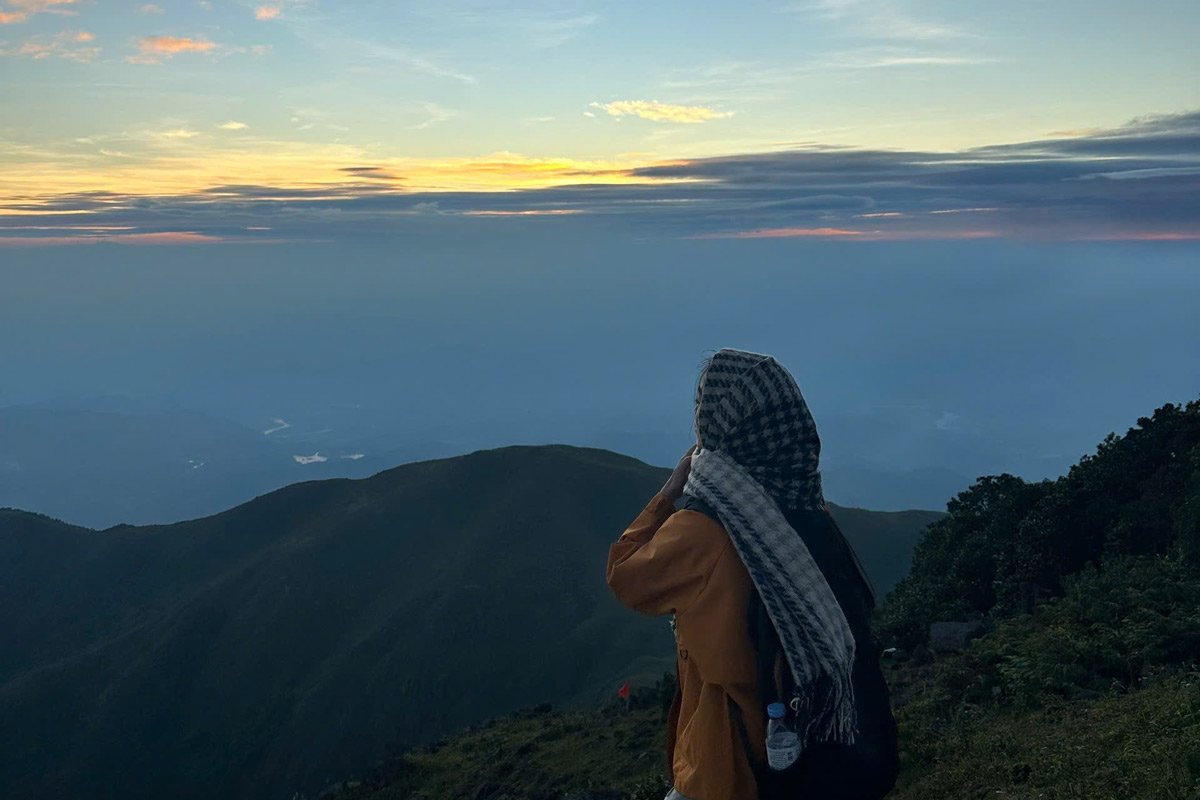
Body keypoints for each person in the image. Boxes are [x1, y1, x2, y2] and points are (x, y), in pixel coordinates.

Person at [606, 348, 895, 800]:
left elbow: (626, 576)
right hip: (806, 750)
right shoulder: (807, 509)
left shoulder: (704, 528)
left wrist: (667, 495)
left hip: (728, 761)